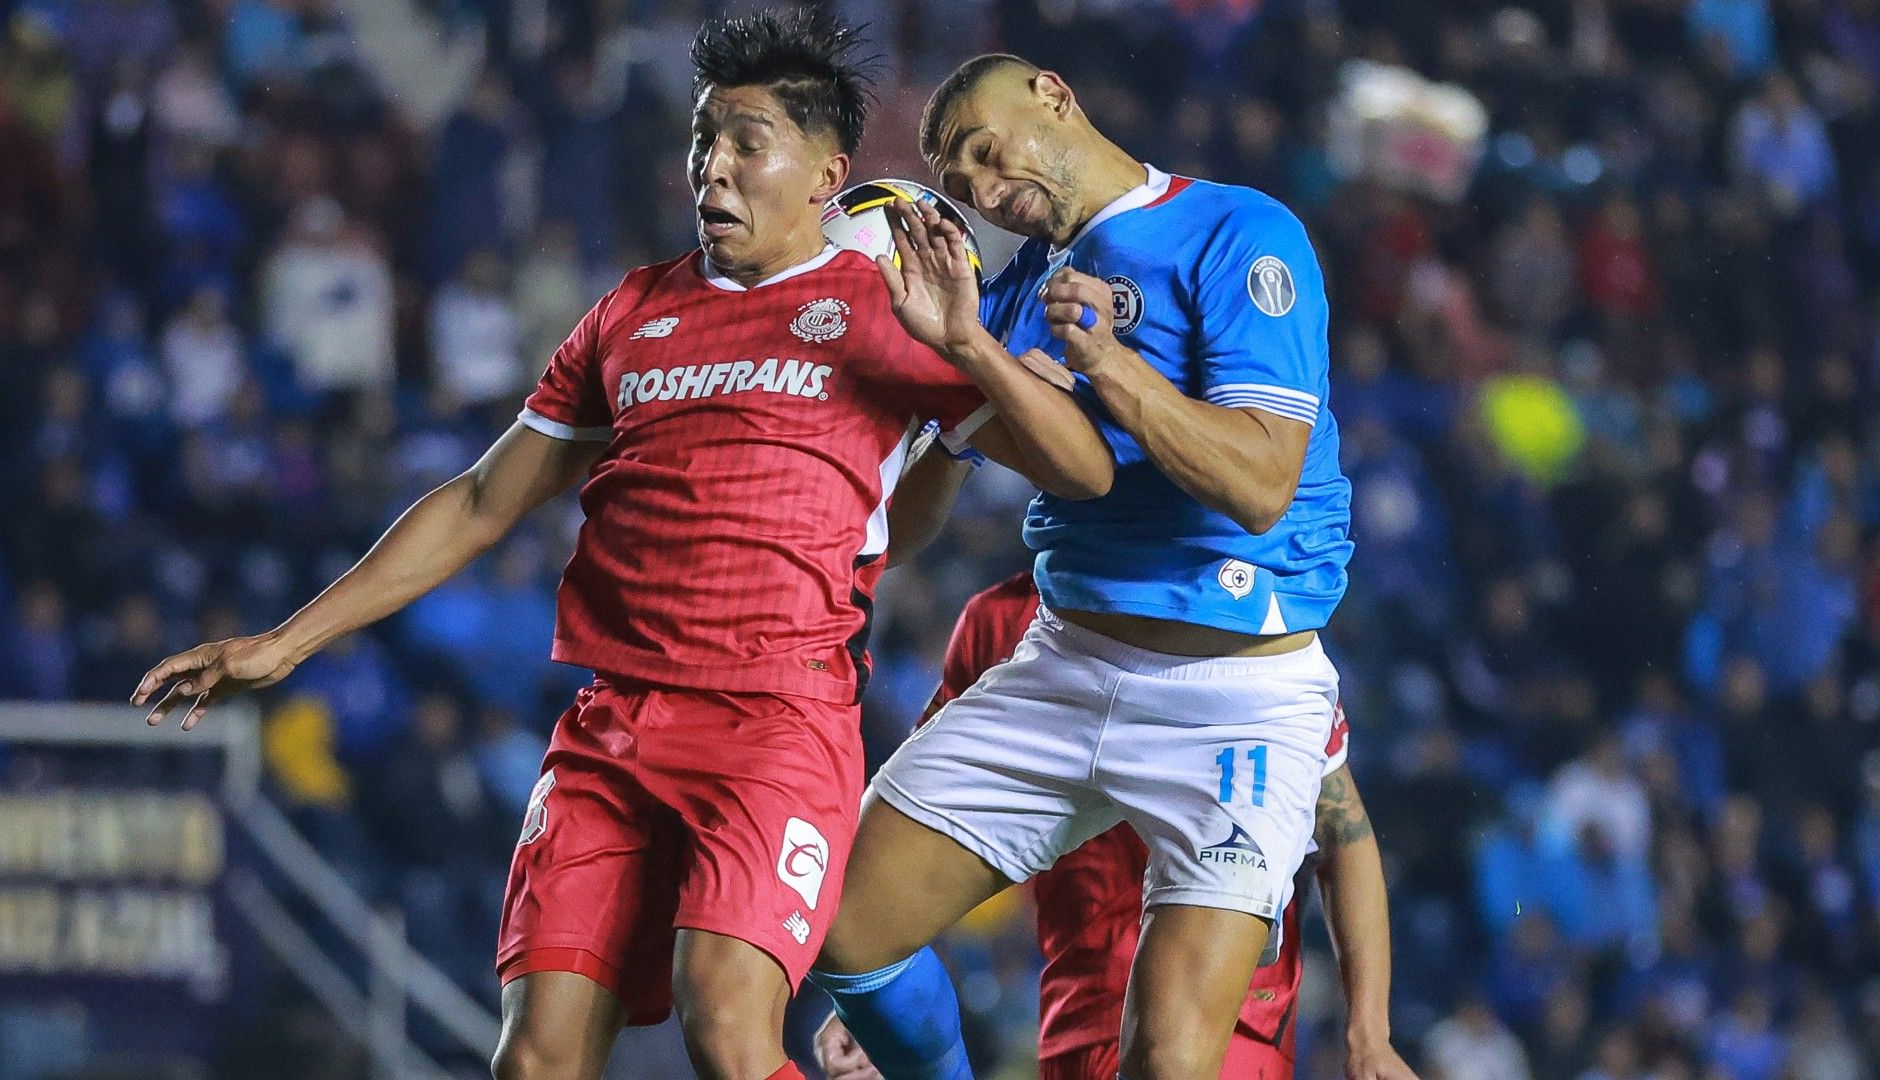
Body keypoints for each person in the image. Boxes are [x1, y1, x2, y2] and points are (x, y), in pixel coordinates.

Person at [129, 13, 1108, 1080]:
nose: (712, 168)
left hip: (774, 723)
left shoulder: (883, 312)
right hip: (613, 728)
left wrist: (973, 347)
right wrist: (285, 641)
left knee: (729, 1035)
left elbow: (1077, 465)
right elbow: (477, 500)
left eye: (745, 141)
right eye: (702, 140)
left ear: (829, 174)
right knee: (534, 1062)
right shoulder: (632, 313)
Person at [806, 52, 1354, 1080]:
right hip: (1065, 666)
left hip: (1234, 695)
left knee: (1168, 1060)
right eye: (959, 185)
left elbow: (1260, 484)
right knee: (839, 933)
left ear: (1053, 94)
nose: (979, 185)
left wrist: (1108, 363)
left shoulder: (1239, 232)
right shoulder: (1008, 300)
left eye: (980, 146)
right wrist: (942, 375)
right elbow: (918, 514)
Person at [815, 566, 1416, 1080]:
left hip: (1224, 1024)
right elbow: (934, 838)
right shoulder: (999, 619)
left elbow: (1341, 830)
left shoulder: (1251, 624)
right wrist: (880, 999)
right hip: (1077, 1020)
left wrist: (1370, 1035)